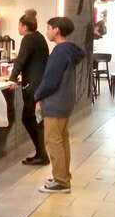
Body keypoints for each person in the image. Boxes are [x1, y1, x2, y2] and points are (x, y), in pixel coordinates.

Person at [35, 16, 85, 194]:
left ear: (56, 30)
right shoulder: (69, 51)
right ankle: (63, 175)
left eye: (48, 28)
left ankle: (61, 181)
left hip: (55, 102)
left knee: (54, 141)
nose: (47, 31)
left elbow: (50, 81)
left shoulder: (59, 52)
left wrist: (37, 95)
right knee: (62, 140)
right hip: (65, 101)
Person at [9, 9, 50, 165]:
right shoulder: (39, 37)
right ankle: (41, 153)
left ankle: (41, 155)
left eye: (19, 25)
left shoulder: (28, 39)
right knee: (35, 119)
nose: (18, 28)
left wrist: (13, 78)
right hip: (39, 86)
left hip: (33, 87)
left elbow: (21, 60)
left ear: (25, 26)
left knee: (30, 119)